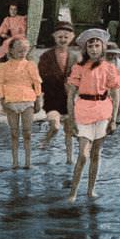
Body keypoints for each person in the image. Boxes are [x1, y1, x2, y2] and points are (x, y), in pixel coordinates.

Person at [66, 28, 120, 202]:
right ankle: (73, 192)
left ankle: (91, 190)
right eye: (90, 46)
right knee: (83, 154)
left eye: (97, 45)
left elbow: (115, 94)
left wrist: (114, 119)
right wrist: (70, 118)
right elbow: (71, 95)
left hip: (103, 111)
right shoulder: (78, 67)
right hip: (83, 110)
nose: (94, 49)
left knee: (96, 154)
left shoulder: (110, 68)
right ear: (86, 49)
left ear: (102, 48)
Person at [0, 38, 43, 169]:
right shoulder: (2, 66)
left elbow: (37, 82)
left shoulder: (30, 65)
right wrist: (2, 99)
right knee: (14, 133)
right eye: (19, 49)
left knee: (27, 132)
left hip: (28, 100)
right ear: (11, 50)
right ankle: (15, 162)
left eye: (25, 49)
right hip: (10, 101)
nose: (22, 52)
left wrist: (38, 99)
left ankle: (28, 162)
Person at [38, 21, 77, 163]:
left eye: (66, 37)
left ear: (71, 38)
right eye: (60, 37)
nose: (63, 40)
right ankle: (46, 140)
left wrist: (72, 85)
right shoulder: (46, 56)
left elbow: (79, 76)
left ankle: (69, 159)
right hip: (52, 97)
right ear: (54, 37)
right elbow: (40, 77)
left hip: (69, 98)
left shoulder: (75, 57)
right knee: (55, 126)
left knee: (69, 131)